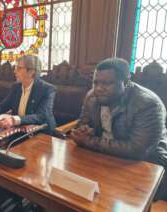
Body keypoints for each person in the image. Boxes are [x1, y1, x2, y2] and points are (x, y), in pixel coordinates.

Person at [70, 57, 167, 200]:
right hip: (105, 155)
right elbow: (83, 125)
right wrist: (83, 131)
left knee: (123, 200)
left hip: (147, 162)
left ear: (126, 82)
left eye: (107, 83)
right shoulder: (92, 97)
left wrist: (88, 141)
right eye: (95, 82)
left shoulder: (148, 104)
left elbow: (138, 150)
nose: (98, 88)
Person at [0, 54, 56, 135]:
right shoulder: (16, 87)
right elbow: (3, 105)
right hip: (19, 130)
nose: (14, 71)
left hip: (41, 134)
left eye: (19, 68)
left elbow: (41, 116)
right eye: (15, 67)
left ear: (31, 71)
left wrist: (13, 120)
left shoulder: (47, 89)